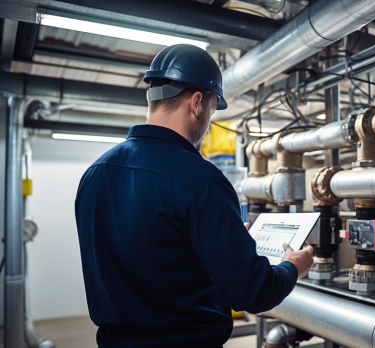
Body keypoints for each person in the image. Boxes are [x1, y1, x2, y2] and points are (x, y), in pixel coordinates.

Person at [74, 44, 313, 348]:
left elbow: (150, 257)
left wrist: (218, 244)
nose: (209, 124)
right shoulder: (201, 179)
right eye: (213, 111)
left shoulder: (96, 172)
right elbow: (253, 293)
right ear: (197, 102)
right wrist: (293, 265)